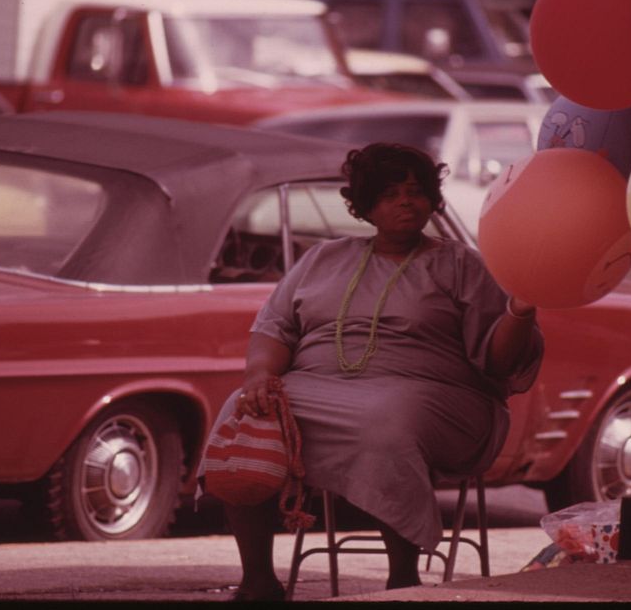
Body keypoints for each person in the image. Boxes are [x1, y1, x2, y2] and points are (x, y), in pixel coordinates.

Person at [210, 142, 544, 601]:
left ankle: (402, 579)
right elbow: (275, 328)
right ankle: (259, 582)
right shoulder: (323, 258)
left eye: (415, 190)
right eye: (389, 193)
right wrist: (258, 377)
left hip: (437, 397)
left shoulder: (459, 263)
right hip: (317, 388)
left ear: (432, 198)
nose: (406, 201)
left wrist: (521, 311)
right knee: (241, 408)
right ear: (365, 205)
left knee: (387, 418)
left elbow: (500, 362)